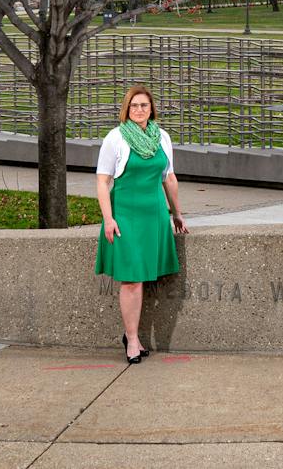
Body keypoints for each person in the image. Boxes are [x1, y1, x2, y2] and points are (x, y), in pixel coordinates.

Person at [96, 86, 188, 364]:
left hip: (155, 215)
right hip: (125, 216)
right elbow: (102, 181)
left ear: (152, 108)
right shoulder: (115, 138)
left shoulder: (162, 137)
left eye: (144, 105)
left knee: (148, 278)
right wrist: (108, 218)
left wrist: (177, 213)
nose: (139, 110)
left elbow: (168, 178)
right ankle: (132, 339)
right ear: (127, 108)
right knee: (132, 280)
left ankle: (133, 334)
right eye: (134, 105)